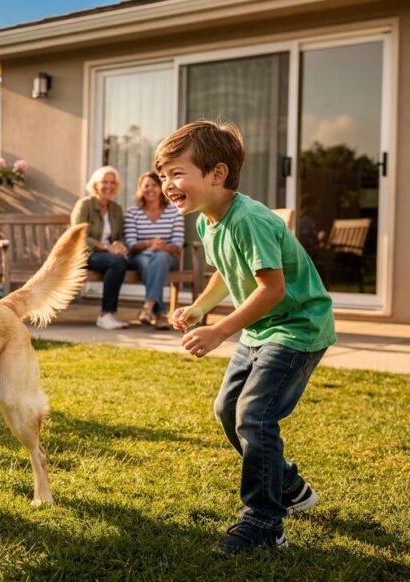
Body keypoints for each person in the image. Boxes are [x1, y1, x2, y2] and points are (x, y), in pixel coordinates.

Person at [157, 121, 335, 555]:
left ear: (217, 174)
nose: (167, 184)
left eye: (177, 173)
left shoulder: (250, 219)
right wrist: (200, 308)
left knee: (254, 415)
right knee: (227, 409)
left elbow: (272, 289)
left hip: (297, 327)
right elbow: (226, 271)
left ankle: (265, 522)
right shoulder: (209, 223)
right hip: (262, 328)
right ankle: (287, 484)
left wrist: (220, 329)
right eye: (163, 175)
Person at [124, 171, 185, 329]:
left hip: (167, 257)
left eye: (154, 185)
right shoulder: (132, 212)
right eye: (146, 186)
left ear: (161, 188)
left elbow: (178, 245)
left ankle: (148, 307)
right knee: (148, 263)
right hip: (140, 257)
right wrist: (149, 243)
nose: (150, 189)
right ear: (140, 189)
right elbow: (131, 244)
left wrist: (164, 247)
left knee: (160, 257)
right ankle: (161, 313)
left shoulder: (174, 212)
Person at [71, 166, 130, 329]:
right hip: (84, 253)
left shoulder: (116, 209)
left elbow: (119, 236)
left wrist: (118, 244)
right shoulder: (85, 204)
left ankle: (108, 315)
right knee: (117, 262)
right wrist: (104, 246)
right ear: (95, 185)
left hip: (106, 256)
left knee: (119, 260)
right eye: (104, 182)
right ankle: (106, 315)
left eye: (112, 183)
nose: (109, 186)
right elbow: (77, 234)